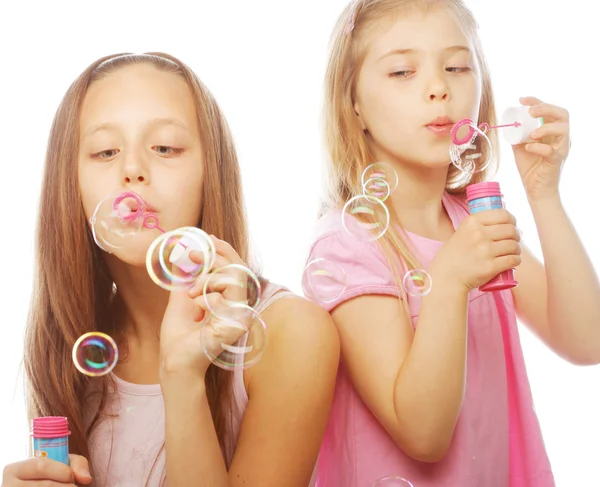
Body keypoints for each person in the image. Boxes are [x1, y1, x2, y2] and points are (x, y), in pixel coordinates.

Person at [2, 52, 339, 487]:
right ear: (72, 184)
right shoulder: (70, 344)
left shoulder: (291, 332)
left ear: (209, 172)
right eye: (105, 151)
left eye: (165, 147)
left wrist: (182, 374)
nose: (133, 171)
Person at [302, 1, 600, 486]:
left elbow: (588, 341)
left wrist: (543, 194)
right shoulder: (348, 245)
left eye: (458, 66)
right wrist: (448, 284)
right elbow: (423, 434)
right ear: (352, 104)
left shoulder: (471, 222)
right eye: (402, 71)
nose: (439, 87)